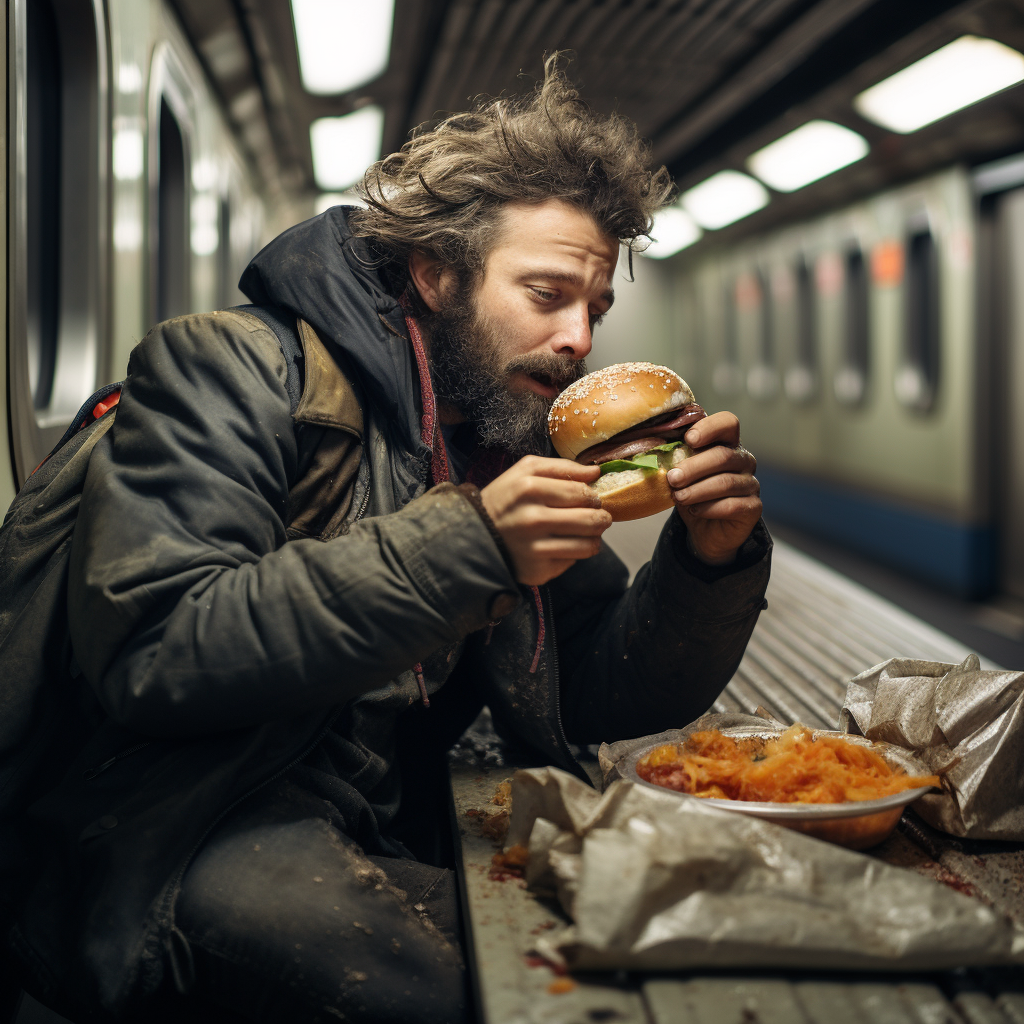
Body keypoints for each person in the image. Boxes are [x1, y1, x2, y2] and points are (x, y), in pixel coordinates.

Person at [2, 59, 769, 1023]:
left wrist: (710, 561)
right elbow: (158, 645)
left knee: (629, 949)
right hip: (171, 824)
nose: (578, 336)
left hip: (373, 813)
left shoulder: (490, 432)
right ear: (436, 274)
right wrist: (468, 548)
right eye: (545, 293)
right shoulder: (226, 368)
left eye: (595, 309)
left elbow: (599, 685)